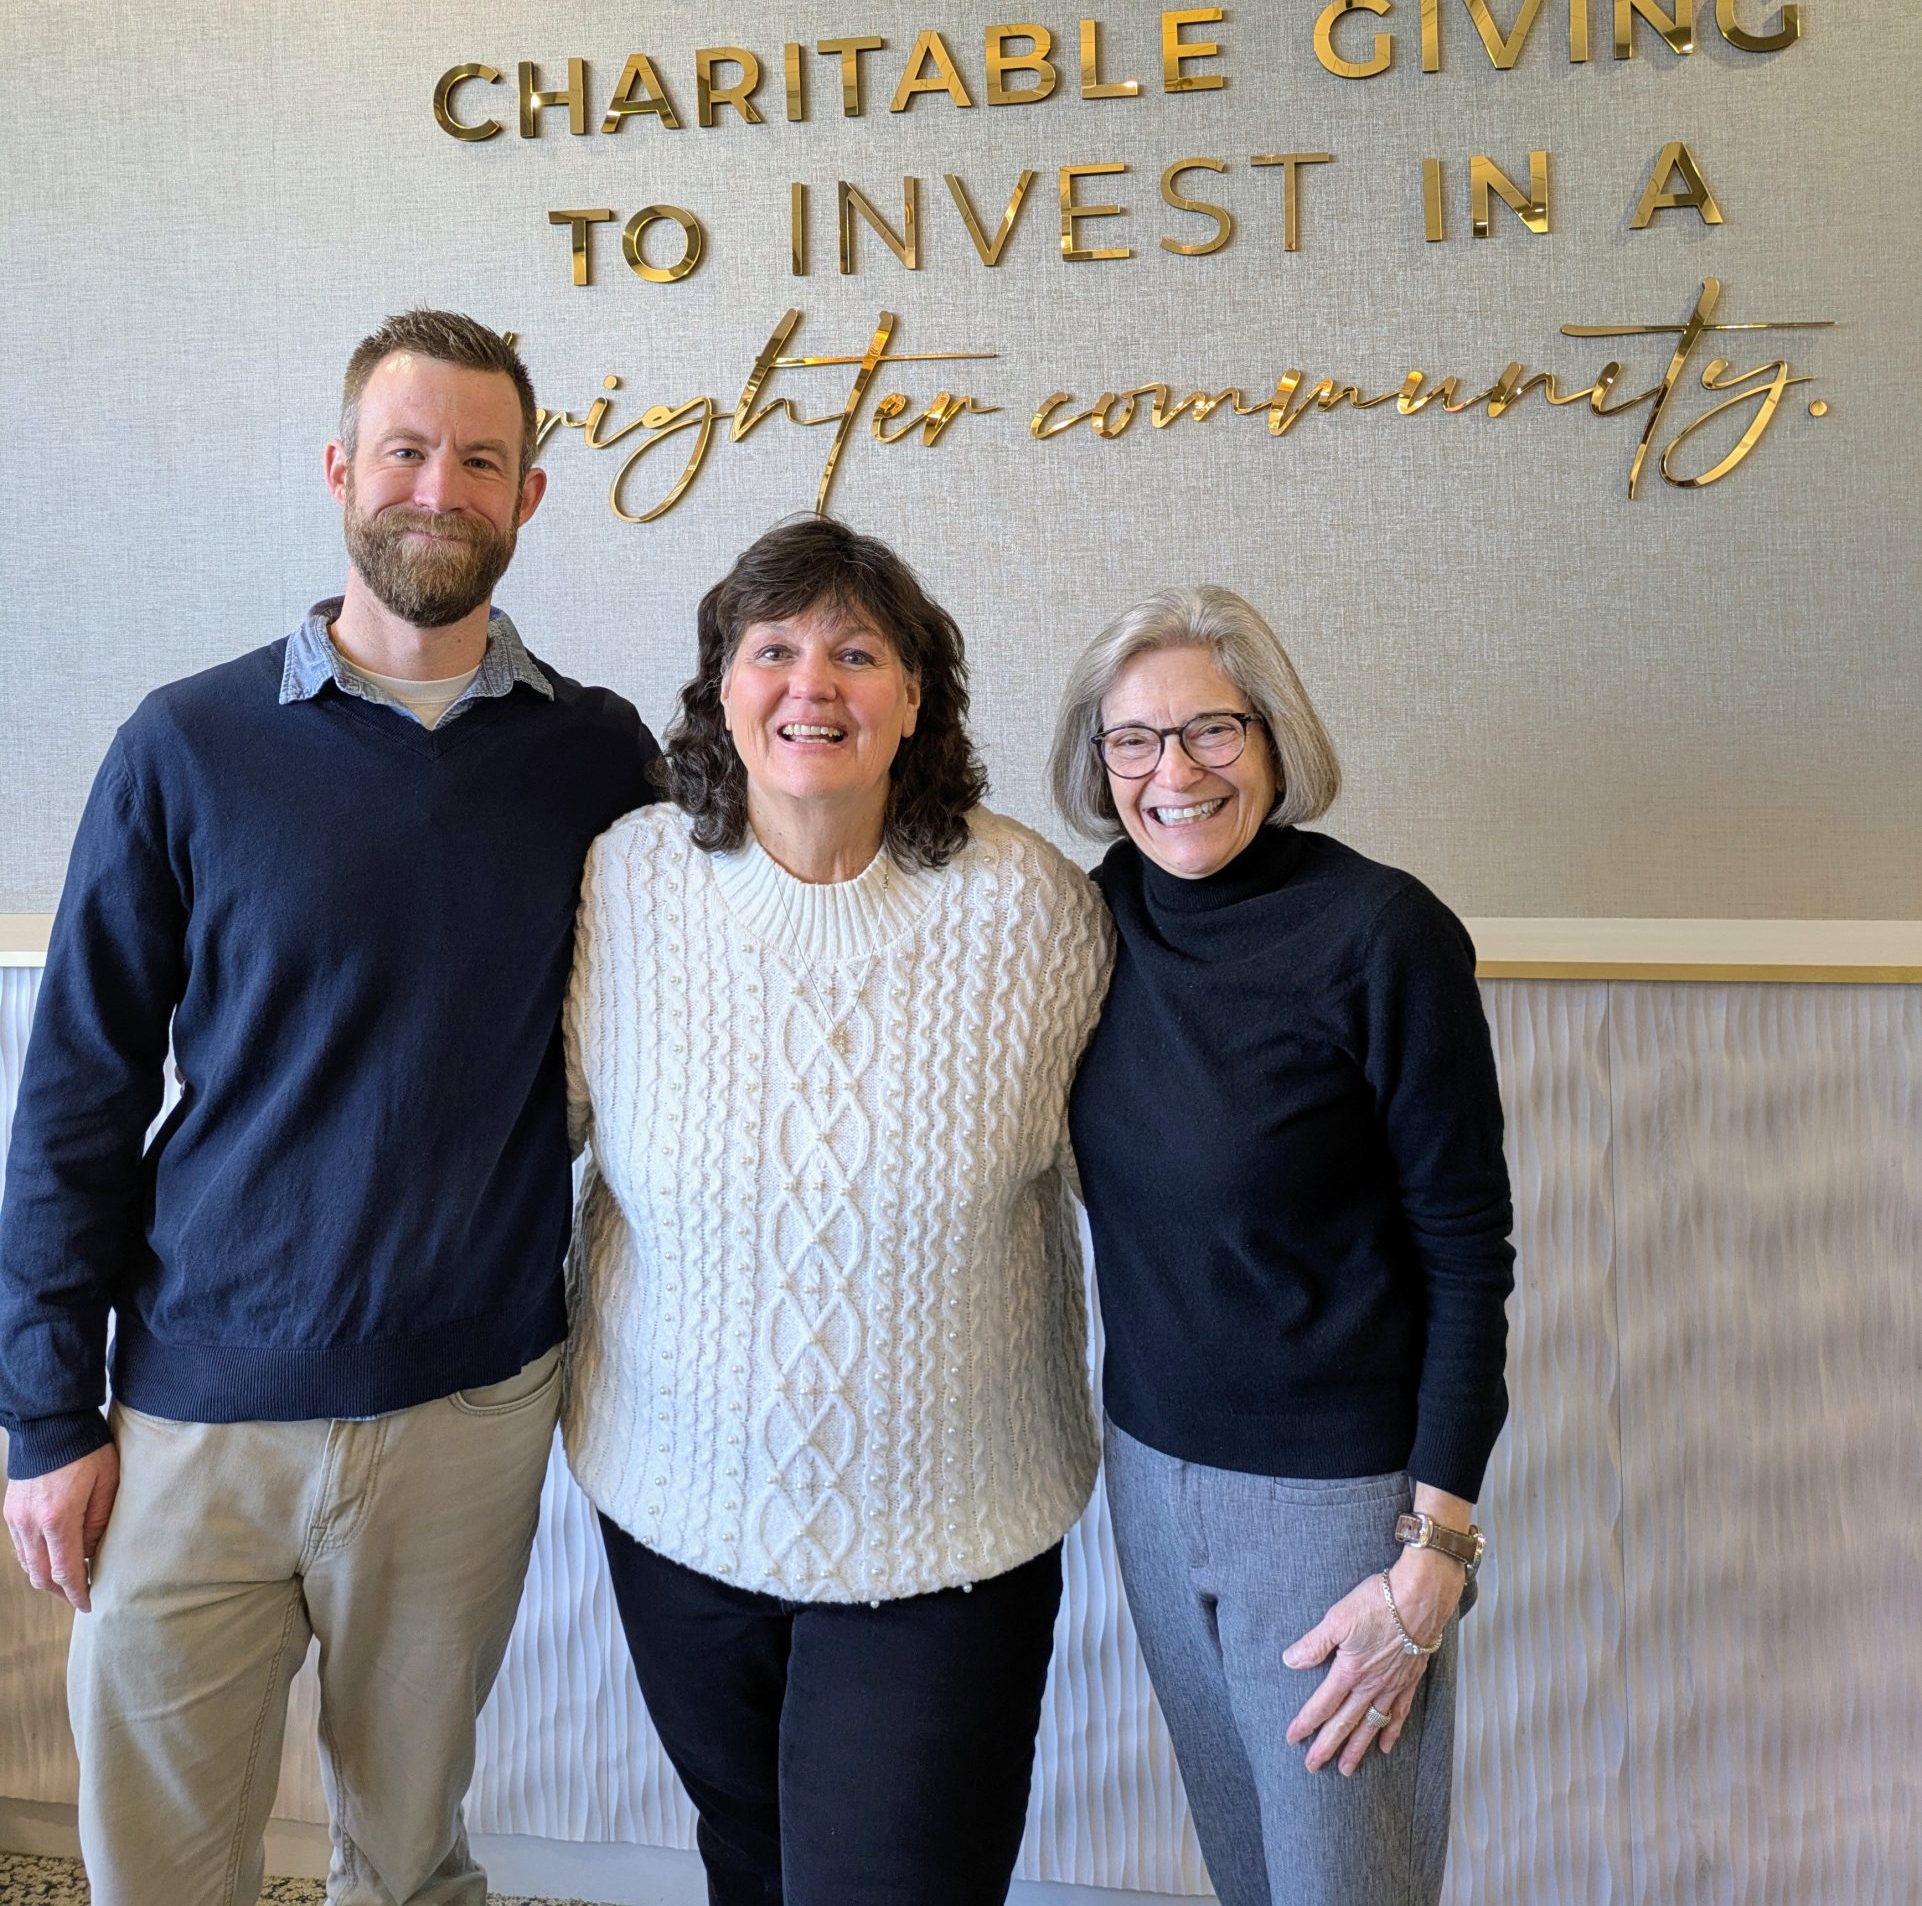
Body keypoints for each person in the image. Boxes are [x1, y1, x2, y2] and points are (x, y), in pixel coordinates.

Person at [0, 309, 659, 1906]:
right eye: (409, 450)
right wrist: (44, 1414)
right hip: (195, 1411)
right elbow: (79, 1090)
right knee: (155, 1865)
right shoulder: (189, 743)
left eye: (481, 461)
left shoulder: (595, 756)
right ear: (340, 470)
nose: (441, 486)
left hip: (467, 1409)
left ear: (529, 498)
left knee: (408, 1853)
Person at [563, 515, 1110, 1906]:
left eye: (857, 653)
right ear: (721, 688)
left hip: (947, 1538)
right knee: (748, 1864)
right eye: (775, 650)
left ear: (915, 699)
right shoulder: (625, 884)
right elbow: (528, 1132)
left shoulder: (1029, 910)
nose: (814, 685)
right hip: (673, 1507)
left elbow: (1146, 1182)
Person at [1049, 587, 1513, 1906]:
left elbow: (1465, 1248)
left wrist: (1434, 1558)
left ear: (1273, 736)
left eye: (1211, 730)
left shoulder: (1381, 932)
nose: (1173, 772)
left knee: (1338, 1885)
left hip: (1330, 1505)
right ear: (1096, 763)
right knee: (1246, 1869)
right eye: (1132, 739)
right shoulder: (1084, 926)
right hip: (1147, 1473)